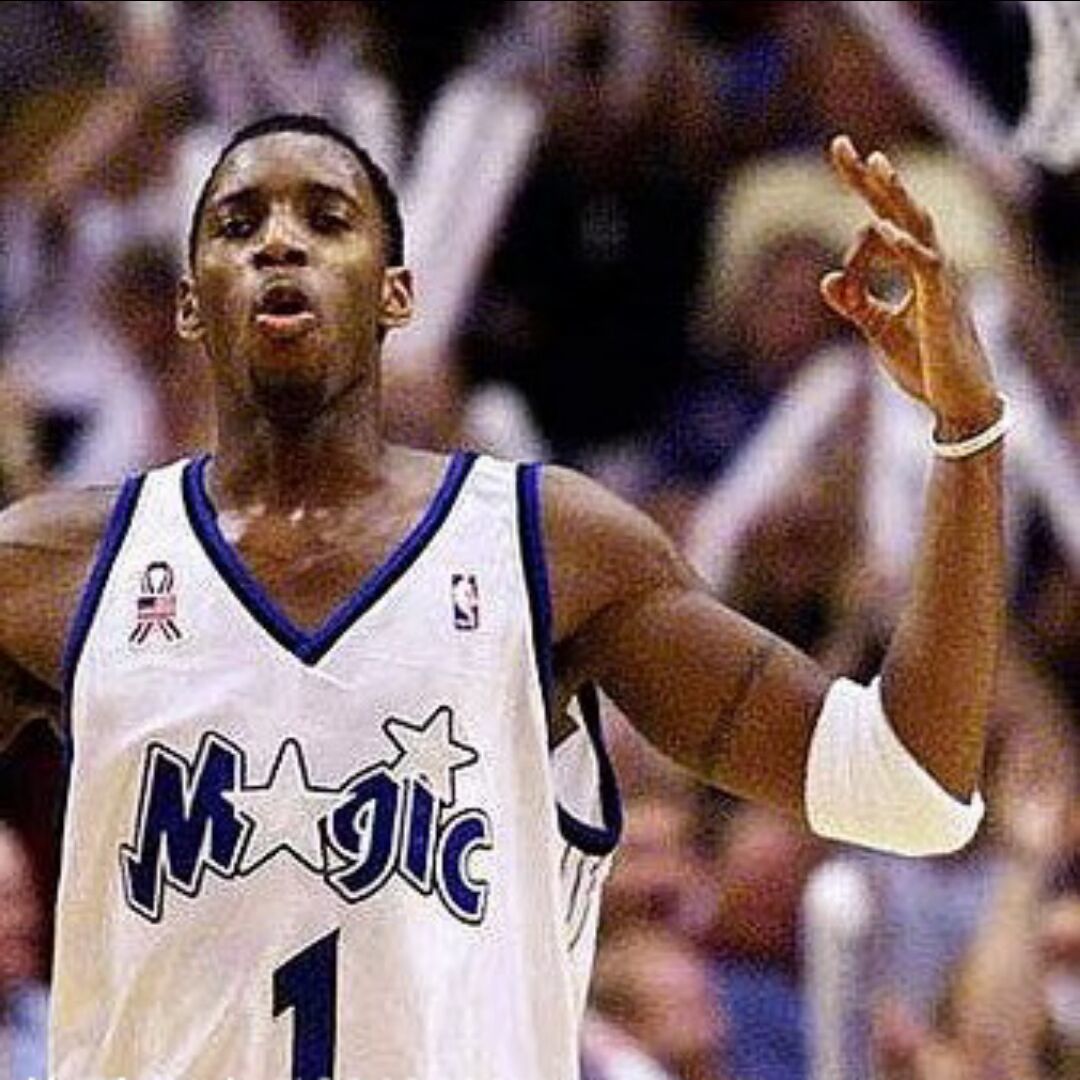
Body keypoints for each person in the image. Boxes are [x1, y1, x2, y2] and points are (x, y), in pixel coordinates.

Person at [0, 113, 1006, 1079]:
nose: (280, 243)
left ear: (397, 294)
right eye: (238, 222)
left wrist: (968, 432)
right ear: (189, 303)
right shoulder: (54, 570)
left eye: (327, 218)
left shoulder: (552, 549)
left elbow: (907, 785)